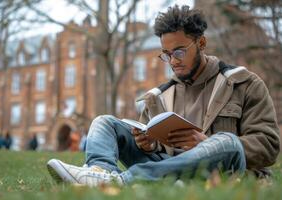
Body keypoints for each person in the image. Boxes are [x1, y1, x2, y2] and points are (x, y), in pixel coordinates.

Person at [47, 5, 280, 186]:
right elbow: (156, 147)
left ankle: (121, 182)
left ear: (201, 43)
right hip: (168, 170)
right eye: (166, 54)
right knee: (103, 122)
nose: (173, 61)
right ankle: (99, 174)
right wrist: (148, 145)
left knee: (226, 142)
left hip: (223, 173)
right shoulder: (158, 96)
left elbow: (269, 146)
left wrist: (208, 144)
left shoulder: (244, 83)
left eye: (179, 51)